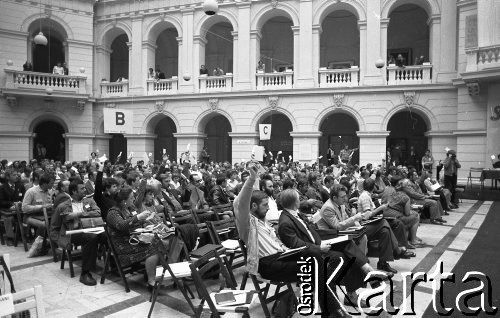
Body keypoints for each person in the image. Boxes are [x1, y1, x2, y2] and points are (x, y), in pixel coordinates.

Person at [234, 163, 351, 317]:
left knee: (317, 259)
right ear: (254, 206)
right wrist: (251, 178)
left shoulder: (263, 221)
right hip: (267, 264)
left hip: (282, 256)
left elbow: (254, 198)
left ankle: (330, 310)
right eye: (264, 206)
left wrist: (288, 250)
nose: (268, 209)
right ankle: (332, 310)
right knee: (316, 266)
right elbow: (240, 204)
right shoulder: (247, 224)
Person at [50, 179, 103, 286]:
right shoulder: (63, 206)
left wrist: (78, 214)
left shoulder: (89, 201)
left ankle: (113, 263)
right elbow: (54, 228)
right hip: (74, 233)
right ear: (74, 191)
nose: (85, 190)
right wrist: (61, 241)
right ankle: (85, 273)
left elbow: (98, 212)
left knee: (107, 235)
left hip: (91, 228)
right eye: (82, 188)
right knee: (91, 238)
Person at [106, 188, 160, 291]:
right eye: (131, 197)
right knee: (152, 248)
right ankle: (151, 282)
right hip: (123, 245)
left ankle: (149, 272)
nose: (134, 199)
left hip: (134, 238)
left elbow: (135, 222)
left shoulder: (128, 209)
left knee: (159, 241)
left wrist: (145, 224)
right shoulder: (113, 212)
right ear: (123, 201)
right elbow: (121, 225)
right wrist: (138, 217)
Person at [382, 176, 422, 248]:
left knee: (413, 214)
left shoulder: (393, 192)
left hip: (386, 214)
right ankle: (413, 239)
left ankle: (412, 237)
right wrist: (412, 212)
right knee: (416, 216)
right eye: (409, 186)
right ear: (406, 188)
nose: (410, 188)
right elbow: (407, 213)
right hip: (396, 217)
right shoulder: (406, 197)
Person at [22, 173, 55, 257]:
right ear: (44, 183)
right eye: (51, 183)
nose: (53, 184)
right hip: (29, 216)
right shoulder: (31, 191)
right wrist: (41, 207)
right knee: (44, 225)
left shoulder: (50, 191)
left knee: (57, 222)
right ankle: (37, 247)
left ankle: (50, 243)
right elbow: (24, 208)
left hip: (45, 215)